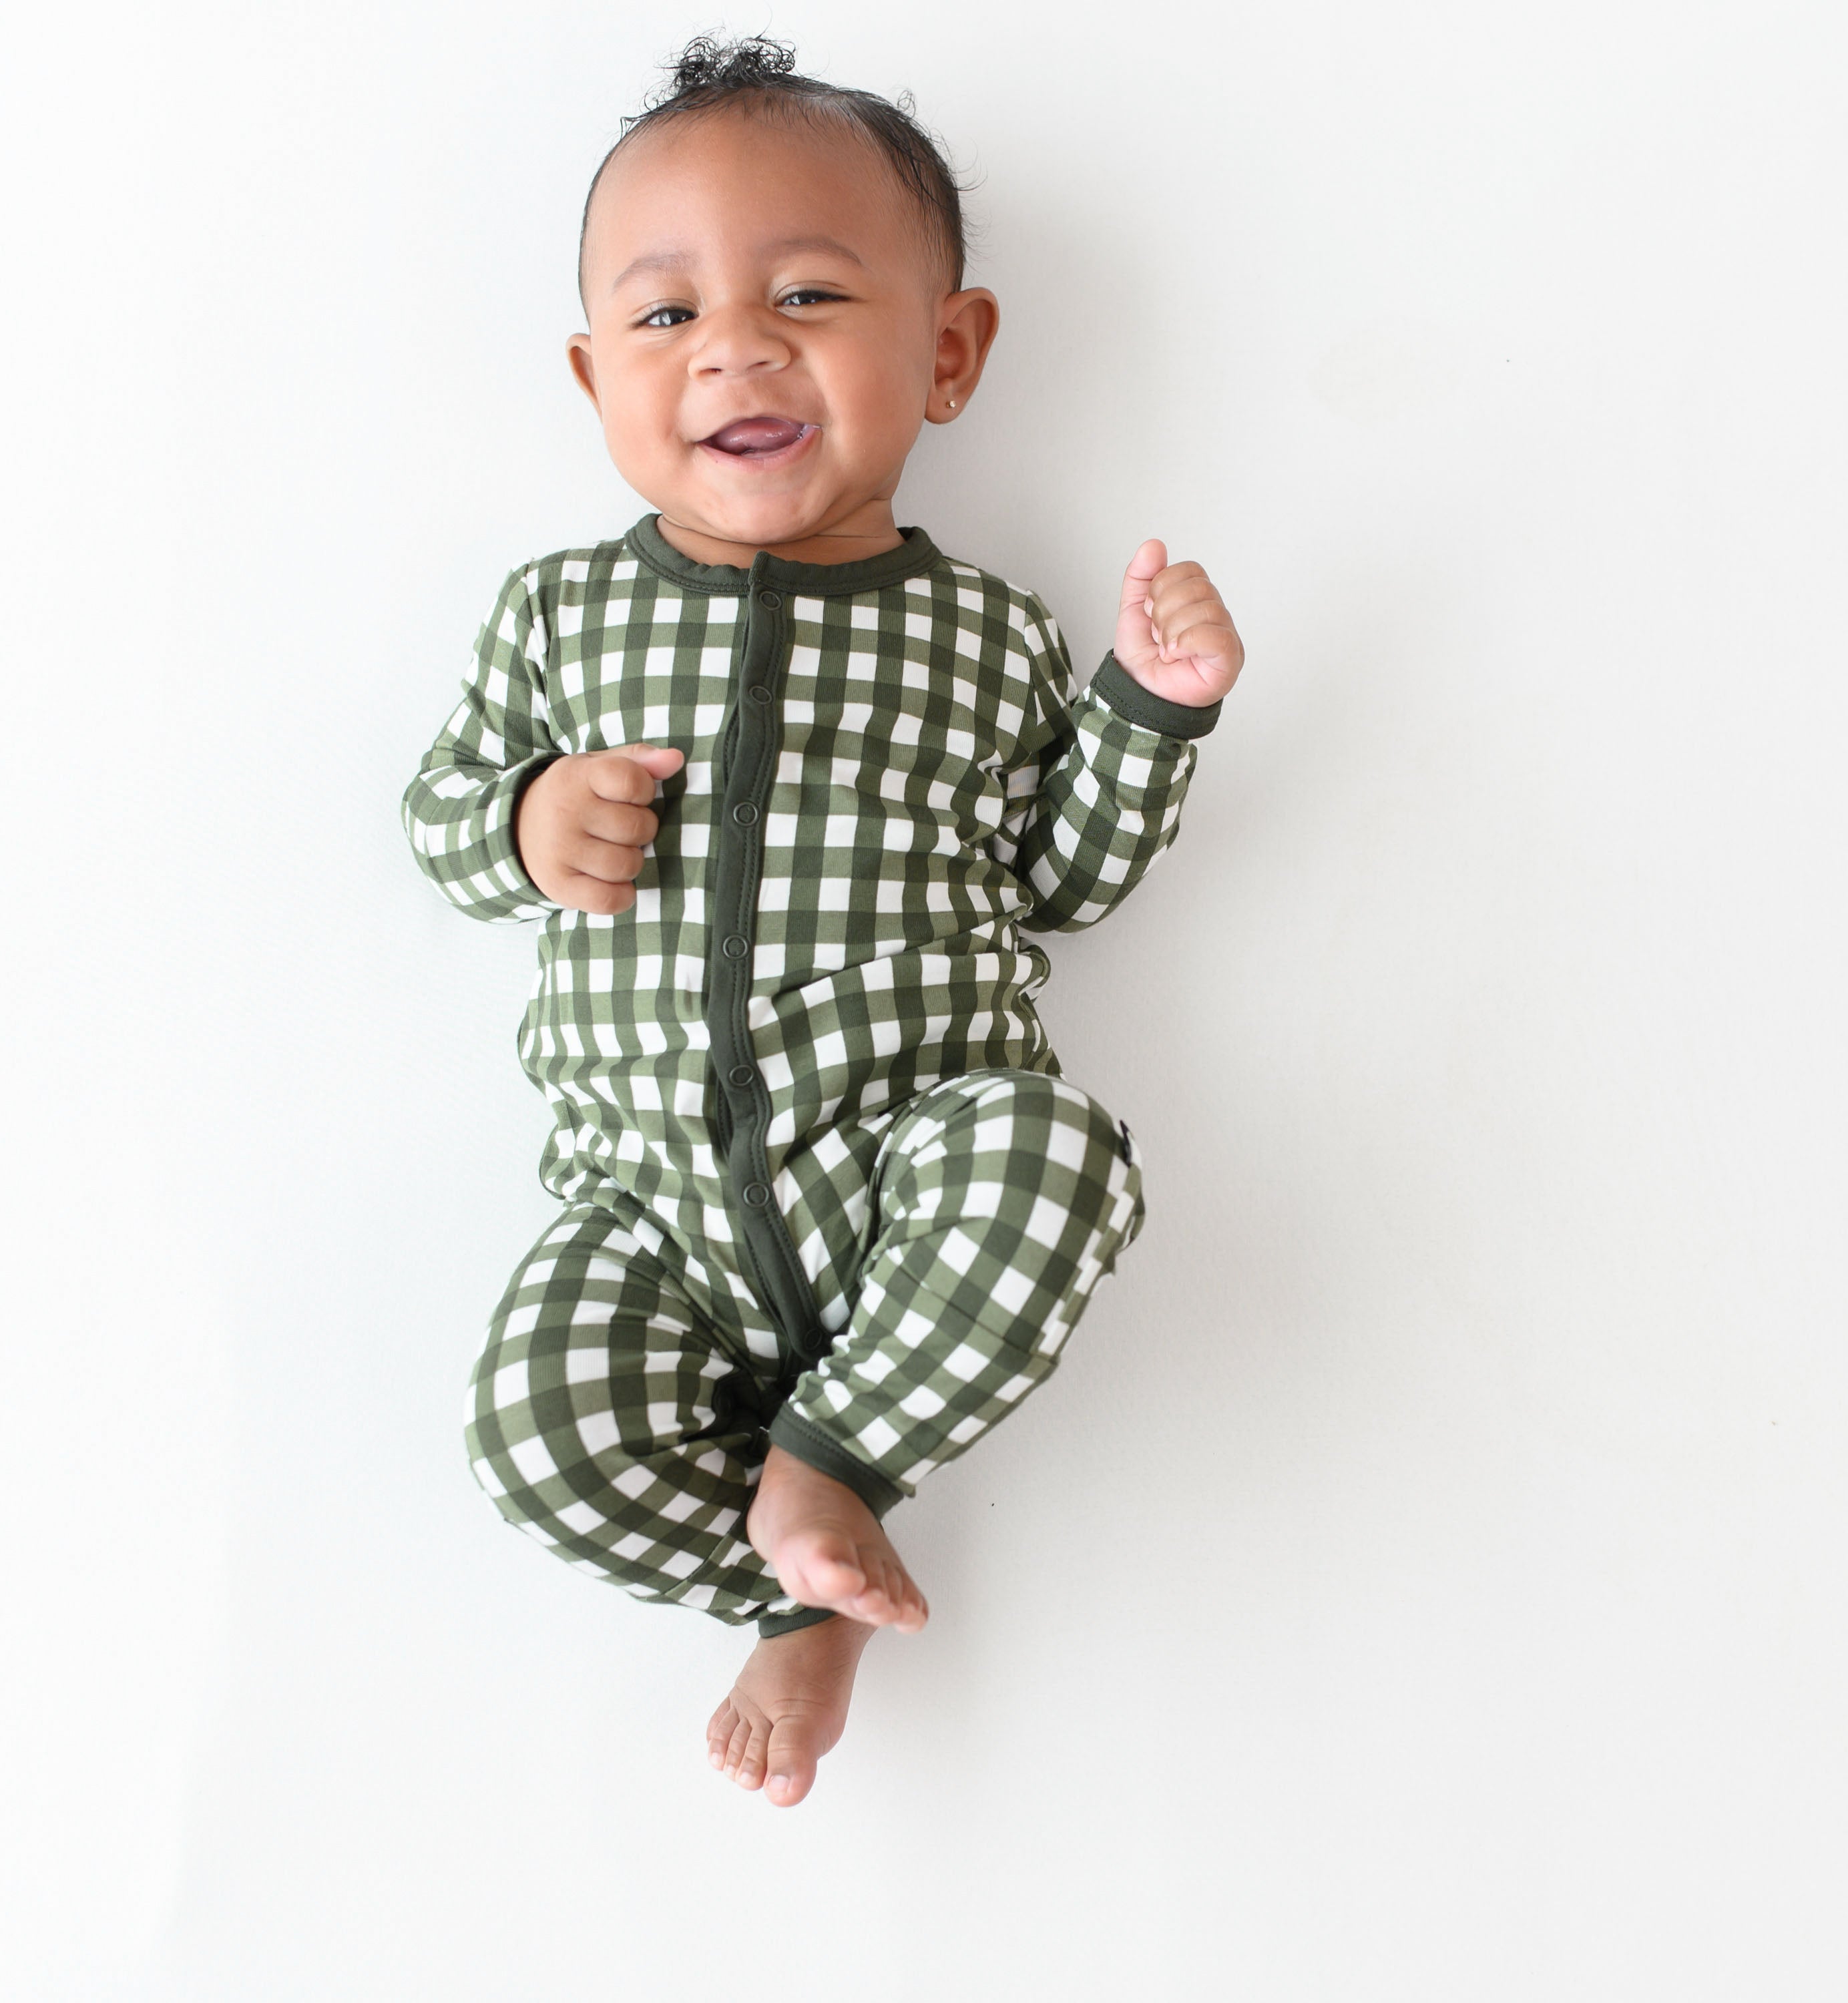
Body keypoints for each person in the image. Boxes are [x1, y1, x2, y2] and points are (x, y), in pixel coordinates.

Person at [400, 35, 1245, 1807]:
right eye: (662, 317)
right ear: (592, 379)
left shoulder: (989, 636)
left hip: (910, 1148)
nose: (734, 345)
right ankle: (806, 1590)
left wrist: (1153, 710)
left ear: (947, 354)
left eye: (806, 292)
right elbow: (438, 821)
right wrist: (526, 820)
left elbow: (1065, 880)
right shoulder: (559, 618)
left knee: (1061, 1157)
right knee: (535, 1438)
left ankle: (838, 1457)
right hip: (648, 1200)